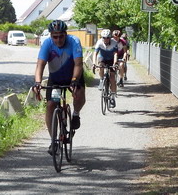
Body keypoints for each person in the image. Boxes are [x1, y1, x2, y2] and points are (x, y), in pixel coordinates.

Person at [32, 20, 85, 155]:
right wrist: (38, 82)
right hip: (55, 79)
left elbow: (78, 64)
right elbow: (40, 65)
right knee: (50, 105)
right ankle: (53, 141)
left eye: (61, 36)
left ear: (66, 34)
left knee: (79, 95)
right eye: (55, 37)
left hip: (73, 76)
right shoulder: (47, 44)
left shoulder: (74, 41)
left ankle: (75, 114)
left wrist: (74, 80)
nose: (58, 40)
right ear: (51, 36)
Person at [94, 29, 119, 106]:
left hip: (111, 59)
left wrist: (115, 63)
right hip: (103, 58)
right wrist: (94, 63)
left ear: (110, 37)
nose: (106, 39)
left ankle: (113, 96)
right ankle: (101, 80)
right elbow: (95, 53)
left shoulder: (114, 42)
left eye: (107, 38)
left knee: (112, 78)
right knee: (101, 66)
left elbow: (115, 54)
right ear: (102, 38)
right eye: (104, 38)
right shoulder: (99, 42)